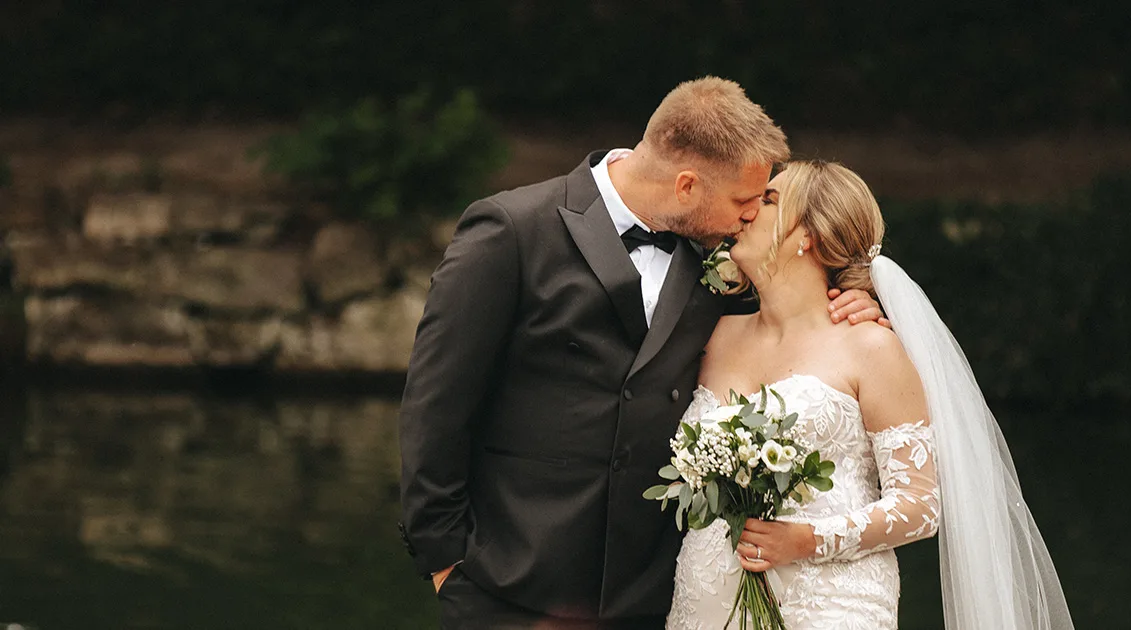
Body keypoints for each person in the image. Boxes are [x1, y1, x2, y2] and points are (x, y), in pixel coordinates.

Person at [397, 78, 886, 629]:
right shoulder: (511, 231)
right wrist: (444, 560)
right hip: (508, 580)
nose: (750, 217)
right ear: (685, 185)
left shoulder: (729, 259)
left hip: (654, 591)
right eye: (743, 201)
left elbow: (795, 318)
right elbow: (436, 405)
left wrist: (852, 302)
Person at [667, 160, 1074, 629]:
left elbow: (921, 506)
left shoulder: (872, 346)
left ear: (808, 237)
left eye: (770, 200)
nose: (748, 211)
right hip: (707, 596)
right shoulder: (712, 335)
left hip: (829, 603)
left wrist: (806, 540)